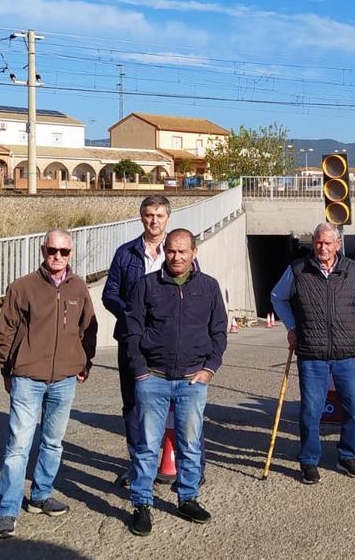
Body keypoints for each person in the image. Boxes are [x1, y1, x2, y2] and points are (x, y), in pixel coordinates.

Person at [0, 229, 97, 540]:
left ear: (71, 253)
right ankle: (7, 512)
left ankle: (41, 494)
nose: (57, 257)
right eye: (52, 250)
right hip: (27, 377)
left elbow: (88, 329)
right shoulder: (22, 287)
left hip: (64, 379)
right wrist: (7, 370)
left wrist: (84, 363)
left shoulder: (79, 288)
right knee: (18, 447)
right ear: (42, 249)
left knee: (53, 442)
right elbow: (5, 331)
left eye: (64, 251)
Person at [123, 228, 227, 536]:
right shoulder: (147, 286)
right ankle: (142, 504)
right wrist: (140, 371)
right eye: (170, 251)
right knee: (146, 446)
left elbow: (219, 331)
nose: (176, 257)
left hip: (192, 380)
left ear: (194, 252)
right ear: (163, 252)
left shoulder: (209, 287)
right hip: (152, 378)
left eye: (183, 251)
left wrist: (209, 368)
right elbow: (132, 331)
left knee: (190, 444)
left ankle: (187, 498)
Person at [270, 223, 355, 484]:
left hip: (347, 351)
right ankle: (308, 460)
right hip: (312, 352)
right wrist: (291, 326)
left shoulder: (352, 269)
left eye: (328, 243)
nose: (322, 248)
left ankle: (347, 455)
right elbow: (277, 297)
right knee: (311, 410)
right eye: (318, 242)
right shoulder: (297, 269)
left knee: (353, 409)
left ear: (338, 244)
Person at [102, 194, 171, 486]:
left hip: (168, 342)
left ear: (168, 218)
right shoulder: (125, 253)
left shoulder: (178, 252)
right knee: (133, 405)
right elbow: (109, 294)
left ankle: (177, 463)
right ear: (141, 217)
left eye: (159, 215)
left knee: (172, 403)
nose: (153, 221)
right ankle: (138, 465)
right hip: (132, 340)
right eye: (148, 215)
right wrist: (130, 316)